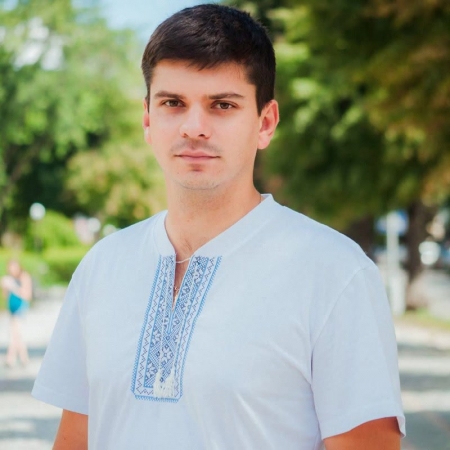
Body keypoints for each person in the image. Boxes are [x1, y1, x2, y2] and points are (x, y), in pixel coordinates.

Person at [32, 4, 405, 449]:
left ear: (265, 123)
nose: (194, 127)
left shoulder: (334, 273)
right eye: (173, 103)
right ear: (148, 120)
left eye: (222, 105)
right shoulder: (102, 267)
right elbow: (75, 440)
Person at [2, 259, 32, 367]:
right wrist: (5, 286)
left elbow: (27, 295)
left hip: (20, 307)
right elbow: (6, 296)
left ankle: (11, 358)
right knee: (16, 334)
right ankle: (23, 358)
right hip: (12, 308)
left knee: (15, 333)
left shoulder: (24, 277)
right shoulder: (9, 278)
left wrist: (13, 286)